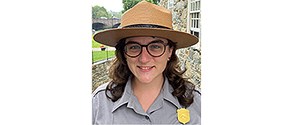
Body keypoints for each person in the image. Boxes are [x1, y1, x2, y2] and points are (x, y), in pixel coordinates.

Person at [92, 0, 201, 124]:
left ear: (170, 52)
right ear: (123, 52)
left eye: (155, 47)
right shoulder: (99, 103)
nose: (144, 59)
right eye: (134, 47)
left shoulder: (196, 102)